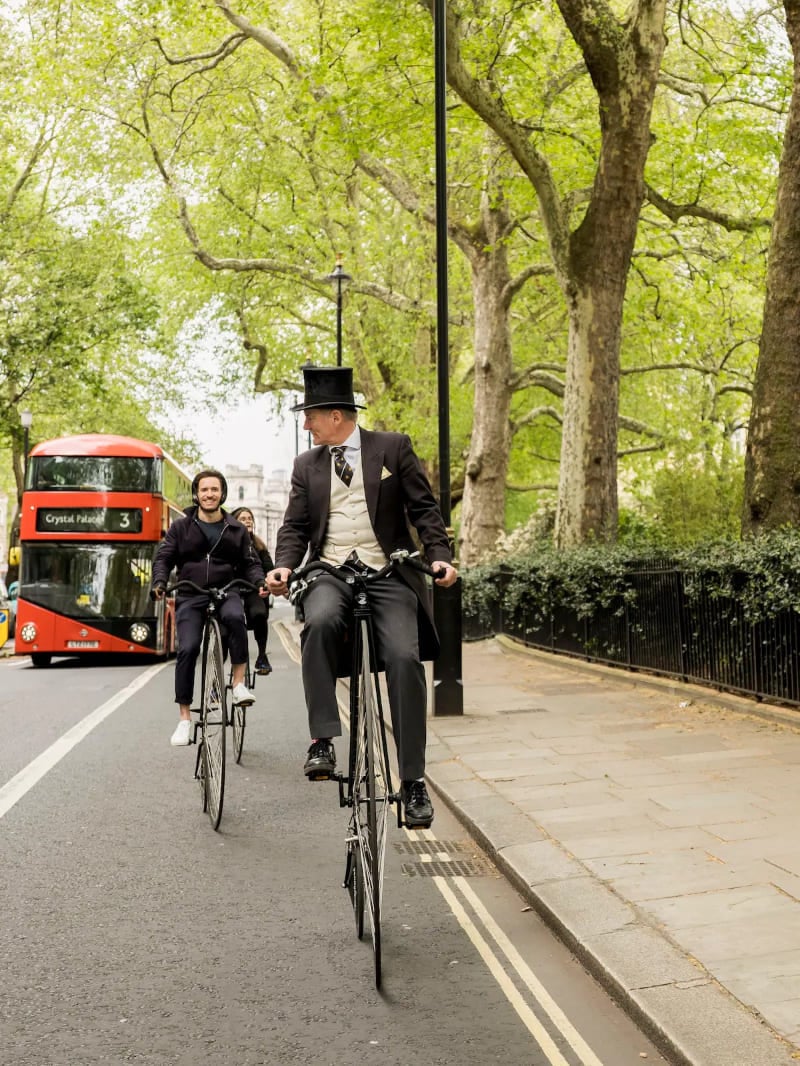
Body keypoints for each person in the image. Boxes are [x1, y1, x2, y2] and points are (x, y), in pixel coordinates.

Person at [267, 366, 458, 829]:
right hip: (331, 571)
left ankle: (413, 781)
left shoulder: (392, 448)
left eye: (310, 417)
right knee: (321, 622)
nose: (307, 426)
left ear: (336, 416)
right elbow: (294, 526)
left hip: (388, 570)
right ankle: (323, 740)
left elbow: (424, 509)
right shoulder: (305, 466)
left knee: (403, 656)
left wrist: (439, 557)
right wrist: (284, 565)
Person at [151, 469, 268, 747]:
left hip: (226, 590)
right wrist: (159, 582)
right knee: (189, 648)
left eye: (214, 489)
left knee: (235, 618)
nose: (209, 494)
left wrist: (260, 581)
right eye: (204, 490)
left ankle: (238, 684)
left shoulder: (236, 529)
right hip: (190, 594)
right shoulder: (181, 527)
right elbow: (164, 556)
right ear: (197, 493)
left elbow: (251, 562)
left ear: (222, 494)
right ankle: (184, 720)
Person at [230, 507, 274, 675]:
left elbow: (269, 570)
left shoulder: (259, 546)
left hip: (254, 591)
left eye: (250, 518)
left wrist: (267, 584)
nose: (248, 521)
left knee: (259, 614)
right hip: (232, 591)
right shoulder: (228, 544)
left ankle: (262, 656)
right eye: (243, 518)